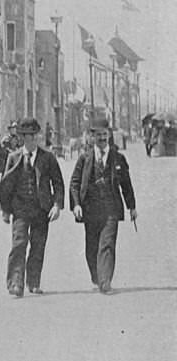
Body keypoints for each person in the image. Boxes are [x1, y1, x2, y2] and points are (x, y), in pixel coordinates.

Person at [0, 117, 64, 298]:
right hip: (20, 209)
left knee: (38, 246)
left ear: (39, 136)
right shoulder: (14, 158)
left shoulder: (48, 158)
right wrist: (5, 210)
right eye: (27, 137)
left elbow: (58, 183)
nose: (31, 140)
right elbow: (6, 185)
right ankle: (15, 283)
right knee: (19, 244)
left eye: (34, 136)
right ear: (22, 138)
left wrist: (57, 205)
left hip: (41, 209)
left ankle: (33, 282)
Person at [69, 117, 136, 295]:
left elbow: (126, 185)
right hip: (90, 210)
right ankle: (97, 276)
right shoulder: (85, 158)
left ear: (109, 135)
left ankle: (105, 281)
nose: (102, 139)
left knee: (107, 244)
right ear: (92, 137)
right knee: (92, 247)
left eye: (105, 135)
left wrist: (132, 207)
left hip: (111, 208)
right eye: (98, 135)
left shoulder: (118, 158)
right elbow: (74, 183)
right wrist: (76, 204)